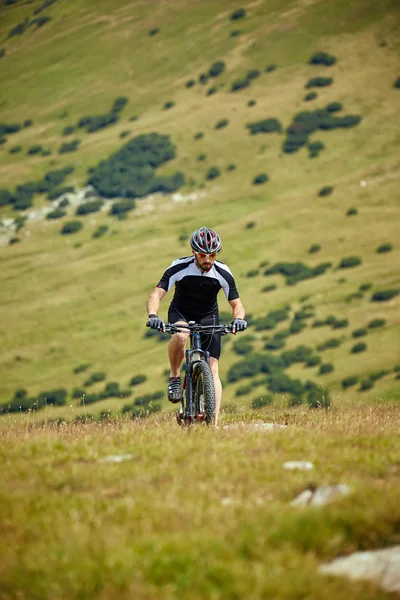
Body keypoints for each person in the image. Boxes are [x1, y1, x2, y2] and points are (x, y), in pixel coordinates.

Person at [146, 226, 247, 426]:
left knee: (213, 369)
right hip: (181, 312)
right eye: (203, 255)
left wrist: (238, 319)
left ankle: (214, 424)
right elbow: (156, 294)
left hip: (208, 317)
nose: (208, 260)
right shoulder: (179, 266)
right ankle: (175, 376)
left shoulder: (223, 272)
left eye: (212, 255)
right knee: (181, 336)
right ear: (194, 252)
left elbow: (237, 305)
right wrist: (153, 315)